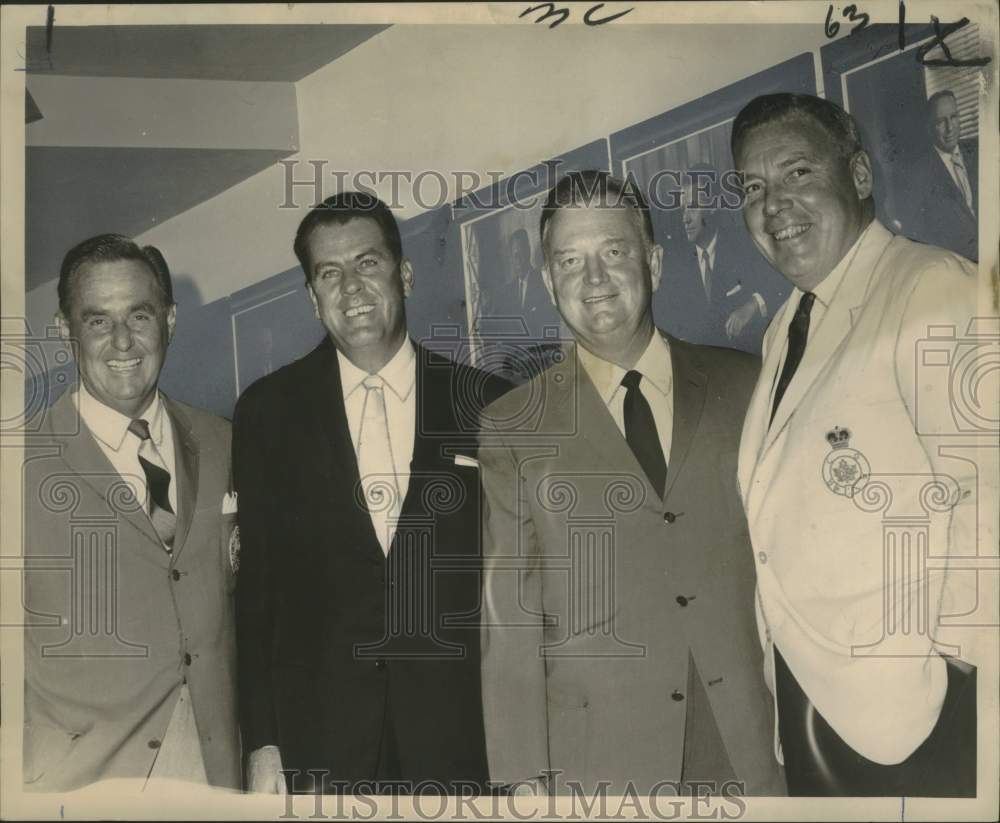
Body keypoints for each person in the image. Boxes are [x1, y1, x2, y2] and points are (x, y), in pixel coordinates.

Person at [479, 171, 784, 797]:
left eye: (614, 252)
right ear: (547, 282)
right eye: (570, 260)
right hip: (602, 761)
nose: (594, 279)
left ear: (654, 260)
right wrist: (520, 780)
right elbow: (508, 616)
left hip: (748, 739)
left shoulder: (743, 384)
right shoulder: (513, 425)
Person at [732, 92, 982, 796]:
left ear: (862, 176)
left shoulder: (931, 285)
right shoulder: (786, 326)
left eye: (798, 173)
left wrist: (954, 678)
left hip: (917, 718)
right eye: (754, 187)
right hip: (818, 707)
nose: (774, 203)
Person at [234, 192, 509, 795]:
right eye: (328, 274)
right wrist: (263, 742)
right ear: (312, 296)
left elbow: (520, 587)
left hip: (464, 740)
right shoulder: (267, 412)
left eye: (368, 263)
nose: (351, 289)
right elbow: (257, 594)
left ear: (404, 273)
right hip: (322, 745)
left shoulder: (489, 403)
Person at [23, 234, 241, 791]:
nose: (123, 341)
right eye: (97, 321)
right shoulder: (20, 468)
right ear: (64, 330)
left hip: (216, 773)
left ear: (169, 319)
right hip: (83, 783)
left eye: (139, 315)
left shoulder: (224, 443)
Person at [658, 164, 788, 352]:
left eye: (693, 208)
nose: (685, 218)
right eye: (683, 209)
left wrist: (752, 305)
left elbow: (782, 284)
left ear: (712, 207)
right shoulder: (677, 265)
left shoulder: (744, 244)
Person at [905, 90, 978, 261]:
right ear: (930, 127)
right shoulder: (919, 175)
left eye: (954, 117)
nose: (949, 127)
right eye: (941, 121)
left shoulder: (980, 149)